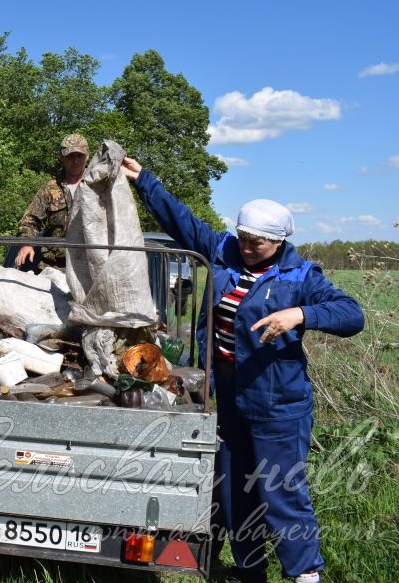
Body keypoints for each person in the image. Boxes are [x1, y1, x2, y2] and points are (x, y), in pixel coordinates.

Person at [121, 156, 364, 583]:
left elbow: (351, 315)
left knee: (281, 493)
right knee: (234, 491)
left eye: (258, 243)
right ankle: (250, 571)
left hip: (278, 406)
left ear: (279, 241)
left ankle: (305, 574)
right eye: (244, 238)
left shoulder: (300, 275)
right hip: (228, 397)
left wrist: (301, 315)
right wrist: (145, 180)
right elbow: (183, 220)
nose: (248, 247)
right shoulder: (224, 250)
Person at [14, 133, 89, 271]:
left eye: (80, 156)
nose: (76, 161)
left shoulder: (98, 187)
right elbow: (29, 221)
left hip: (89, 268)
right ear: (62, 157)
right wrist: (26, 244)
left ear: (88, 156)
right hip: (54, 268)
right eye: (70, 156)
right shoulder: (49, 188)